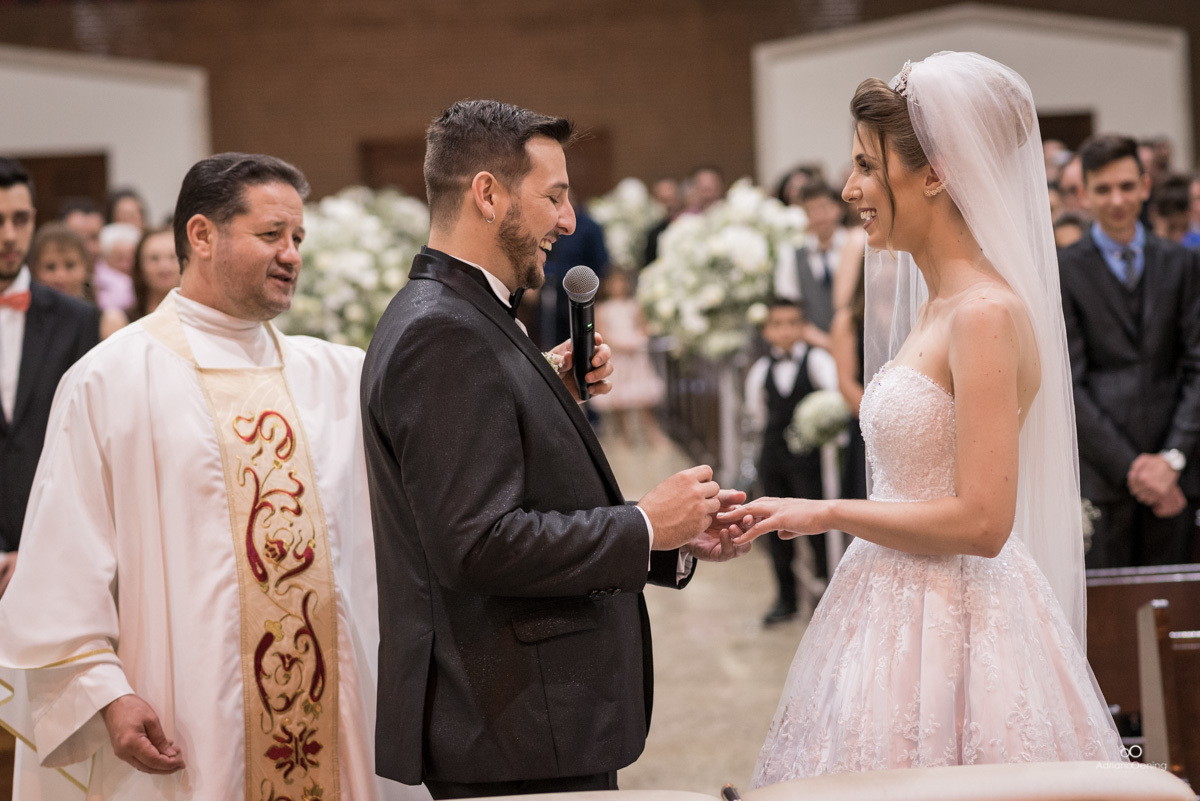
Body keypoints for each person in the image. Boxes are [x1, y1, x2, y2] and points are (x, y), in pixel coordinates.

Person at [719, 52, 1124, 782]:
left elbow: (983, 522)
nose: (849, 191)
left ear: (934, 172)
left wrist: (827, 511)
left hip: (960, 621)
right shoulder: (936, 305)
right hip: (892, 608)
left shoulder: (984, 314)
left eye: (867, 168)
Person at [0, 152, 424, 801]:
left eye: (298, 238)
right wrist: (105, 694)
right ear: (201, 235)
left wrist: (540, 378)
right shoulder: (110, 379)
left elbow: (442, 428)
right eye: (271, 234)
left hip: (331, 721)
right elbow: (65, 565)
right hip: (189, 726)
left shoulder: (335, 376)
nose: (292, 254)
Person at [362, 99, 748, 799]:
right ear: (487, 193)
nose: (568, 222)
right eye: (555, 195)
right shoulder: (443, 333)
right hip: (510, 723)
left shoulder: (463, 311)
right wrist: (644, 524)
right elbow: (476, 542)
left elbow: (496, 474)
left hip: (519, 720)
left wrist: (546, 390)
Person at [1059, 135, 1200, 568]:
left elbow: (1197, 367)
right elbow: (1070, 383)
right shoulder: (1063, 269)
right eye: (1103, 189)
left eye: (1125, 186)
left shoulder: (1181, 263)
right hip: (1104, 476)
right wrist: (1133, 467)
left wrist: (1171, 459)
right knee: (1111, 624)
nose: (1116, 200)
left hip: (1177, 472)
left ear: (1144, 186)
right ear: (1083, 194)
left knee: (1178, 616)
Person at [0, 159, 100, 596]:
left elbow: (80, 444)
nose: (8, 236)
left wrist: (37, 546)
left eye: (20, 220)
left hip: (54, 555)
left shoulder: (77, 320)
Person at [744, 299, 838, 624]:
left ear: (802, 327)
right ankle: (786, 598)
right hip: (772, 457)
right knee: (774, 527)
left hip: (808, 460)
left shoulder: (818, 360)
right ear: (767, 330)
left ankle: (827, 594)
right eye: (778, 324)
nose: (785, 330)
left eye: (791, 323)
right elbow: (756, 413)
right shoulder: (760, 370)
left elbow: (832, 400)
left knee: (817, 527)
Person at [589, 269, 666, 446]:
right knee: (619, 399)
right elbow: (602, 332)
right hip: (617, 357)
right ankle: (625, 437)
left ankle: (652, 434)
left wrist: (636, 340)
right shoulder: (602, 308)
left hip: (635, 356)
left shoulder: (634, 305)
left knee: (642, 397)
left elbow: (643, 327)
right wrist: (619, 344)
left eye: (621, 282)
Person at [774, 182, 850, 351]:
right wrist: (824, 342)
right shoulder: (792, 255)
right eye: (812, 210)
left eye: (824, 207)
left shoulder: (856, 247)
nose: (819, 216)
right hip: (812, 347)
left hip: (857, 341)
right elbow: (788, 307)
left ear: (838, 209)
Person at [28, 224, 127, 339]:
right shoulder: (23, 321)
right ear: (34, 271)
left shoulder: (108, 322)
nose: (61, 276)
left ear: (85, 267)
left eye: (70, 265)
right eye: (50, 267)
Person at [127, 226, 180, 320]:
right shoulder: (121, 320)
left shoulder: (199, 318)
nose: (164, 266)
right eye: (154, 258)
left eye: (172, 257)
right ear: (139, 266)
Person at [93, 222, 139, 313]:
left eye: (131, 259)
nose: (126, 265)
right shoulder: (96, 283)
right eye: (119, 259)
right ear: (106, 259)